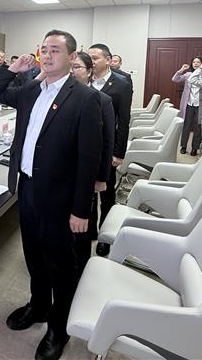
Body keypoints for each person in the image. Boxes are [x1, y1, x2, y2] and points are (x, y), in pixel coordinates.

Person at [0, 30, 102, 360]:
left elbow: (89, 159)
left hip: (60, 197)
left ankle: (58, 327)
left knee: (60, 265)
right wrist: (13, 69)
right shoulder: (32, 90)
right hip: (27, 188)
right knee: (33, 255)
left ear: (71, 57)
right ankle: (38, 305)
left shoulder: (85, 98)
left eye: (55, 50)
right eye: (43, 50)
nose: (47, 55)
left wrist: (81, 210)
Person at [70, 52, 113, 276]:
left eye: (77, 67)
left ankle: (81, 268)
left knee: (83, 222)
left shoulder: (102, 100)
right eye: (70, 66)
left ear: (89, 72)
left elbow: (107, 142)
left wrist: (101, 177)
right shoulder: (60, 97)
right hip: (63, 173)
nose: (72, 71)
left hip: (86, 172)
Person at [88, 43, 131, 257]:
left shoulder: (121, 83)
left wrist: (118, 152)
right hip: (85, 146)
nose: (91, 61)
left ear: (107, 60)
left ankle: (105, 235)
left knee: (106, 193)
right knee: (87, 191)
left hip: (107, 146)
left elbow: (124, 120)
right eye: (89, 58)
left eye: (95, 58)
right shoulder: (83, 80)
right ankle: (90, 230)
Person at [172, 57, 202, 155]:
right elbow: (175, 79)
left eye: (198, 62)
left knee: (198, 127)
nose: (195, 64)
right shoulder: (188, 74)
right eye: (194, 62)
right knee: (186, 126)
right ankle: (183, 146)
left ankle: (195, 148)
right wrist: (181, 70)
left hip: (200, 105)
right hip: (188, 104)